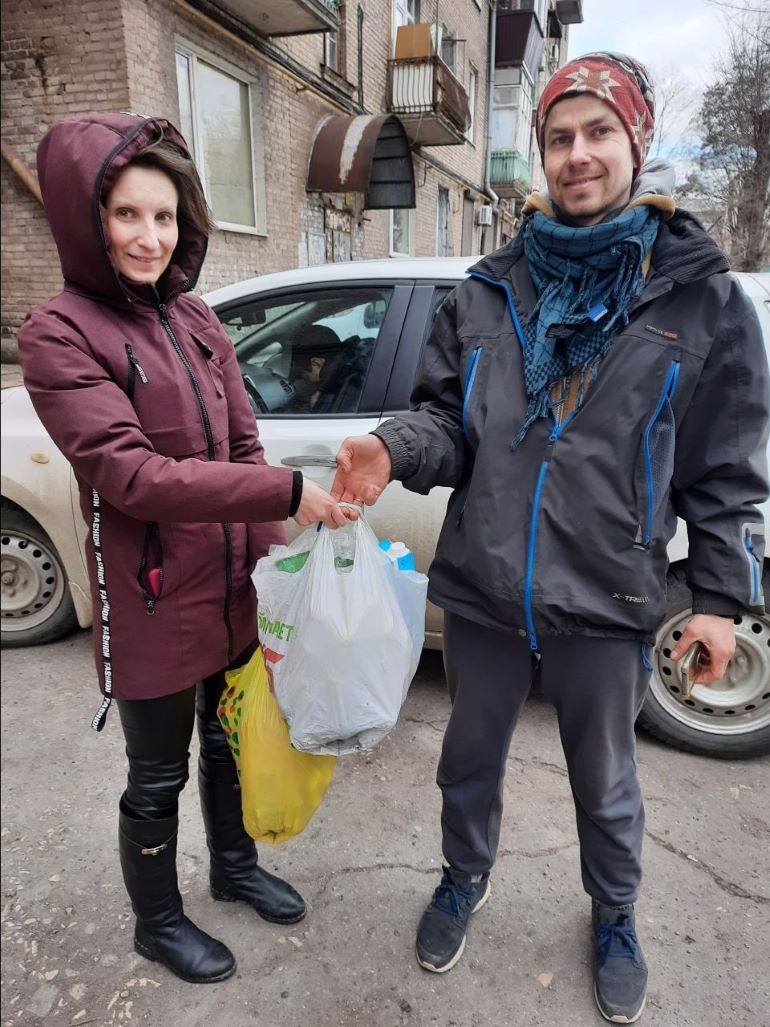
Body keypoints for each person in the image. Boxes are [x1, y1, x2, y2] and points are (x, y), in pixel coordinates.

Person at [332, 53, 769, 1023]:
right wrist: (393, 446)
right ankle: (462, 876)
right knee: (466, 764)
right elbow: (446, 422)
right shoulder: (489, 290)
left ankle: (613, 914)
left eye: (597, 132)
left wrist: (716, 601)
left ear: (635, 143)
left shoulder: (698, 299)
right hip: (485, 588)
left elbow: (723, 466)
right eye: (559, 137)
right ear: (542, 153)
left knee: (606, 784)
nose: (578, 155)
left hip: (608, 595)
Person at [17, 112, 354, 986]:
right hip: (153, 594)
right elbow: (134, 477)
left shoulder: (196, 316)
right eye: (127, 214)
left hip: (232, 583)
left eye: (164, 216)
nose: (149, 237)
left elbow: (241, 445)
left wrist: (272, 567)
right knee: (157, 774)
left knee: (230, 740)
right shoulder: (59, 333)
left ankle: (234, 868)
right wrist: (287, 494)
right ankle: (157, 922)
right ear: (87, 220)